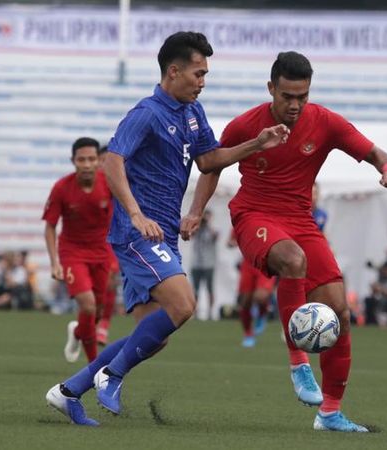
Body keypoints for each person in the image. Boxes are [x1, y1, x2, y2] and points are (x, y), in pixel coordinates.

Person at [45, 31, 289, 426]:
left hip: (163, 236)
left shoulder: (193, 112)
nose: (202, 81)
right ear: (173, 71)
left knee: (153, 337)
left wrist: (255, 145)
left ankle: (69, 391)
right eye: (198, 73)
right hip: (136, 232)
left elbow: (209, 161)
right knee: (184, 305)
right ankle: (112, 374)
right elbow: (114, 161)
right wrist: (137, 214)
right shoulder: (146, 113)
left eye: (205, 74)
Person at [186, 51, 387, 432]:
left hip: (300, 221)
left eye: (302, 96)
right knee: (292, 260)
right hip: (254, 215)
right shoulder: (247, 124)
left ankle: (331, 413)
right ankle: (298, 363)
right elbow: (213, 163)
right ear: (271, 88)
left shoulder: (324, 122)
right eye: (287, 96)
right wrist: (195, 211)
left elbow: (373, 151)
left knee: (340, 312)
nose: (295, 104)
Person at [42, 137, 113, 363]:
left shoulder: (109, 182)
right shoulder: (62, 188)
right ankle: (94, 367)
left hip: (101, 252)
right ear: (73, 161)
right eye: (81, 159)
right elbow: (50, 227)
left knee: (97, 313)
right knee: (88, 305)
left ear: (98, 161)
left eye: (91, 159)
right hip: (73, 252)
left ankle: (76, 333)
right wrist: (55, 262)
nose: (87, 164)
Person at [228, 229, 275, 347]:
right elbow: (230, 241)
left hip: (266, 262)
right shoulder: (241, 218)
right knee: (245, 302)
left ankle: (262, 313)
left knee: (260, 296)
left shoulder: (270, 217)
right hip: (248, 264)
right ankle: (248, 334)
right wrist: (234, 243)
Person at [96, 145, 120, 345]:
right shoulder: (87, 185)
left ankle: (103, 325)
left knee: (110, 281)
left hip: (112, 241)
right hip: (90, 242)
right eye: (101, 161)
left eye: (107, 161)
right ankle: (90, 323)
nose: (104, 165)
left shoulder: (117, 183)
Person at [190, 209, 219, 321]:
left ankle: (211, 312)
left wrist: (208, 224)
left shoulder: (213, 229)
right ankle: (195, 312)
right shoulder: (197, 228)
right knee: (195, 290)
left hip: (209, 264)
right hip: (196, 263)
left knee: (210, 289)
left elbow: (215, 237)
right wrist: (198, 223)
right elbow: (190, 235)